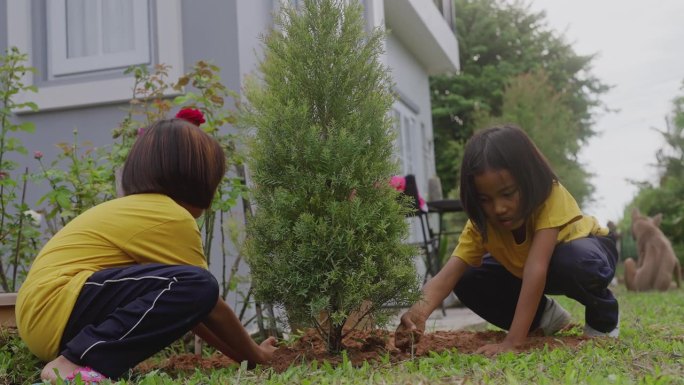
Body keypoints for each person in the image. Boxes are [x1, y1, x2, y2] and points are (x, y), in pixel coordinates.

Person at [16, 111, 277, 383]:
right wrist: (258, 355)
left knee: (195, 287)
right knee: (200, 283)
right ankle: (71, 364)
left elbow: (194, 308)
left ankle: (81, 363)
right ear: (197, 179)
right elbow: (207, 300)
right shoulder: (169, 215)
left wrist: (246, 360)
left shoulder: (139, 210)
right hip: (59, 304)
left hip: (46, 319)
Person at [396, 124, 619, 355]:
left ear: (529, 180)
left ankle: (604, 318)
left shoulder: (548, 196)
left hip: (589, 253)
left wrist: (513, 342)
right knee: (467, 277)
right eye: (485, 199)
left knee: (573, 262)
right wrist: (417, 314)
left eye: (507, 193)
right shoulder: (481, 225)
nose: (498, 208)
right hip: (533, 270)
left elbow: (537, 267)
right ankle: (545, 318)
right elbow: (447, 276)